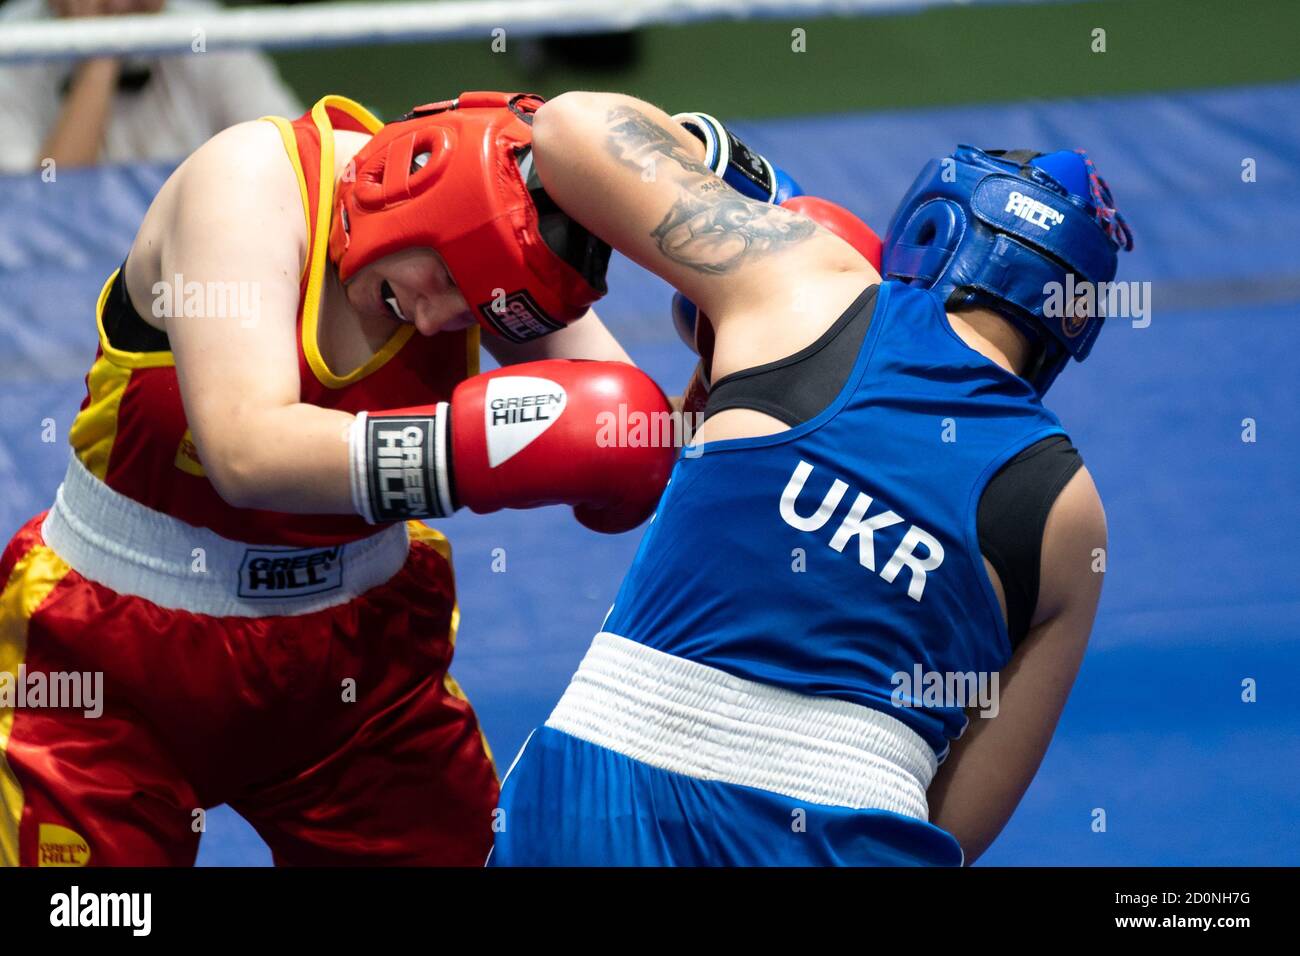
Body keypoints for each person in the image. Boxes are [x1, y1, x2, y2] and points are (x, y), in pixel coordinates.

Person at [0, 90, 674, 866]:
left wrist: (747, 331)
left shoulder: (496, 253)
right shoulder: (251, 182)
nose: (433, 319)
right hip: (111, 665)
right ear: (419, 188)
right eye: (441, 279)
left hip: (356, 672)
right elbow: (245, 451)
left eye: (469, 312)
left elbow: (635, 429)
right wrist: (469, 452)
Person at [490, 92, 1133, 865]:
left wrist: (738, 181)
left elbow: (568, 127)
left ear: (932, 229)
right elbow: (956, 825)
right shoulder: (1072, 515)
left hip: (605, 799)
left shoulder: (810, 286)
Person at [0, 0, 304, 172]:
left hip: (192, 259)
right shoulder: (13, 45)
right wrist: (100, 57)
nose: (120, 3)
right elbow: (44, 212)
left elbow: (295, 157)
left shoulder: (206, 33)